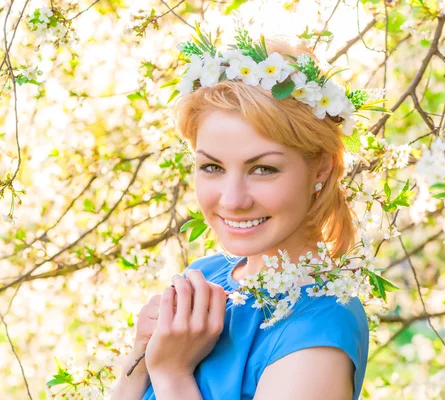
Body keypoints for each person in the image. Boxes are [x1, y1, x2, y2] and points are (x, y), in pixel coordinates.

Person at [111, 34, 369, 400]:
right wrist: (142, 353)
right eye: (212, 166)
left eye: (263, 169)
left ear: (320, 169)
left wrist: (171, 374)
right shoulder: (206, 274)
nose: (232, 201)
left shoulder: (317, 334)